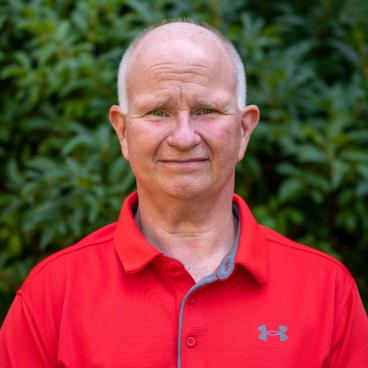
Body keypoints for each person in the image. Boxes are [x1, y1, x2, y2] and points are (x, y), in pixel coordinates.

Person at [0, 20, 367, 368]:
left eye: (206, 110)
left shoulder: (326, 291)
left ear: (244, 129)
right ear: (123, 132)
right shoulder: (52, 293)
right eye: (158, 112)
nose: (183, 137)